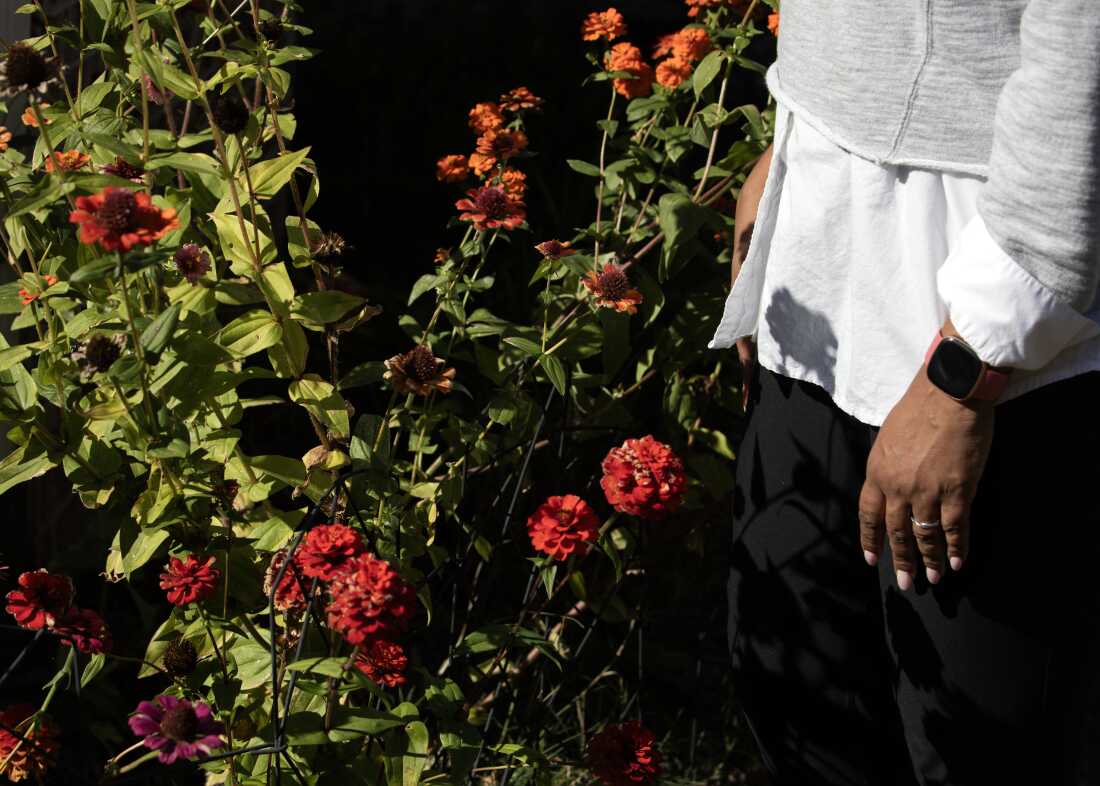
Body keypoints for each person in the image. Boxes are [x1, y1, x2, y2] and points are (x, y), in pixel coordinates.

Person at [708, 1, 1100, 784]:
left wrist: (969, 371)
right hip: (823, 261)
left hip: (994, 333)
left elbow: (1081, 79)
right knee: (801, 705)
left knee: (980, 750)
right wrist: (790, 130)